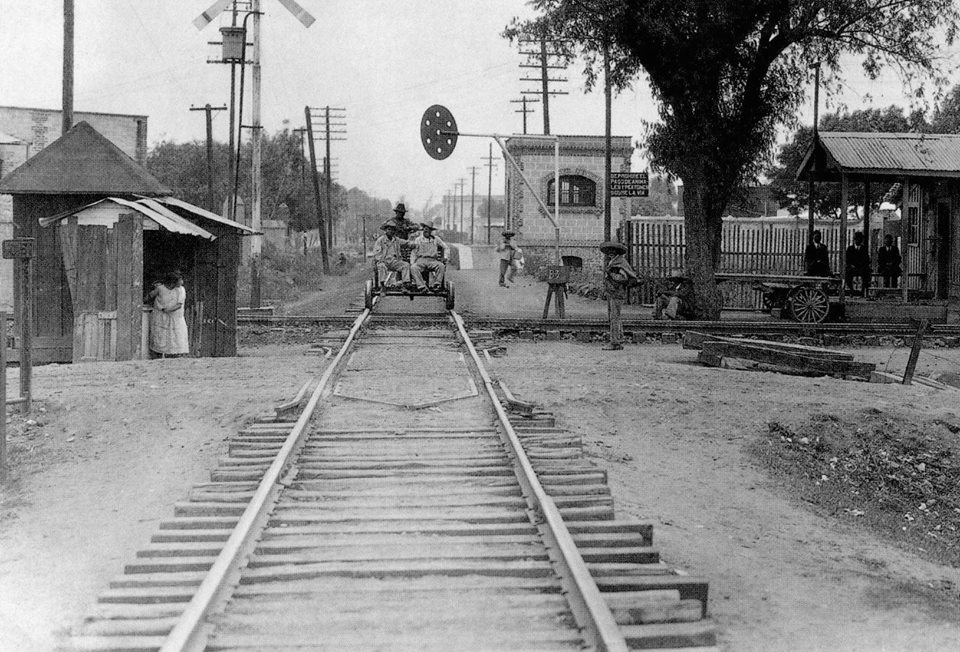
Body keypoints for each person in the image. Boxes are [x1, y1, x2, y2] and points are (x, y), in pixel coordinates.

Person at [601, 241, 638, 350]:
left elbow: (623, 278)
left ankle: (615, 342)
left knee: (614, 317)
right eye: (609, 250)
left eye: (613, 250)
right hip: (612, 292)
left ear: (617, 252)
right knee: (615, 316)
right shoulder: (614, 261)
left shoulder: (620, 262)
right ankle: (618, 340)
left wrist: (611, 274)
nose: (610, 252)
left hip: (617, 292)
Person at [146, 270, 189, 358]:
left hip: (175, 317)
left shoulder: (181, 290)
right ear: (173, 282)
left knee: (175, 339)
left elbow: (179, 305)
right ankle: (157, 356)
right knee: (160, 338)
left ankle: (174, 356)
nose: (182, 282)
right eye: (180, 280)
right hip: (160, 317)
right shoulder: (160, 288)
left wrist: (168, 310)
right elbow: (150, 295)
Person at [410, 222, 447, 291]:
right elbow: (414, 252)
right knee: (413, 268)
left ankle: (437, 285)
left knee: (441, 266)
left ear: (431, 231)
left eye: (428, 229)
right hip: (421, 260)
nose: (426, 231)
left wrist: (445, 257)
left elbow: (446, 247)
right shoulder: (418, 240)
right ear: (423, 230)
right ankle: (421, 286)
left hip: (432, 261)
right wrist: (412, 263)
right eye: (425, 229)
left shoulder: (436, 239)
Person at [845, 231, 871, 296]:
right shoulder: (850, 249)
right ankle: (851, 290)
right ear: (854, 239)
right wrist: (851, 265)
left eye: (859, 239)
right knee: (847, 273)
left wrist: (862, 266)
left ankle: (863, 290)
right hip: (852, 268)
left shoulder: (864, 249)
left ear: (861, 240)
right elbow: (847, 259)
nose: (858, 240)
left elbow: (866, 260)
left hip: (861, 268)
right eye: (856, 239)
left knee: (867, 272)